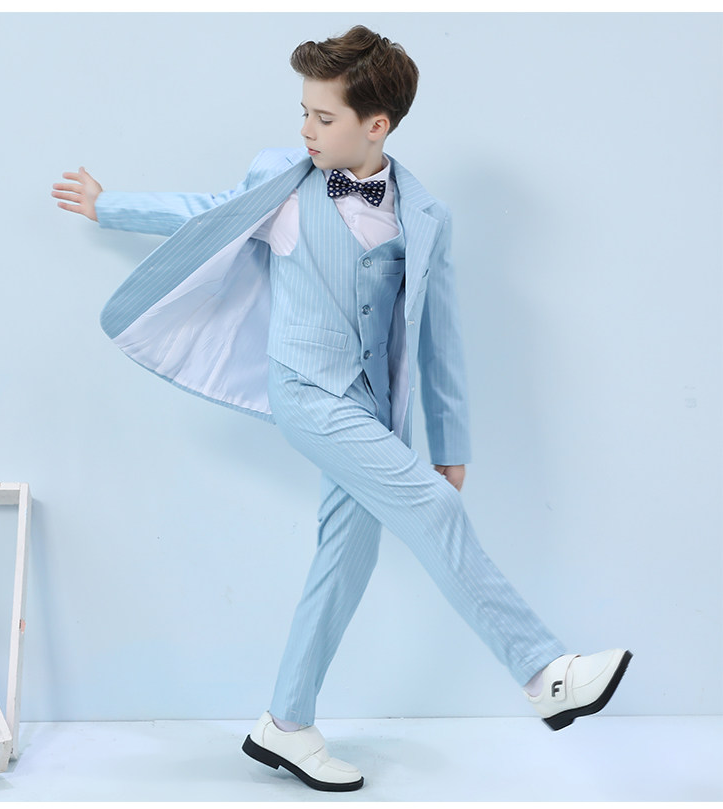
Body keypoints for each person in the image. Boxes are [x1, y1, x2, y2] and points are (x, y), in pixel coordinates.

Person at [52, 25, 631, 794]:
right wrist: (109, 206)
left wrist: (450, 443)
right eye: (304, 112)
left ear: (376, 125)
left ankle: (286, 723)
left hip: (372, 411)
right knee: (433, 509)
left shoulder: (425, 215)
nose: (306, 129)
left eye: (323, 117)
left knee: (344, 561)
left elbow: (441, 337)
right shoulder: (284, 182)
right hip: (306, 392)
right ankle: (544, 671)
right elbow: (204, 210)